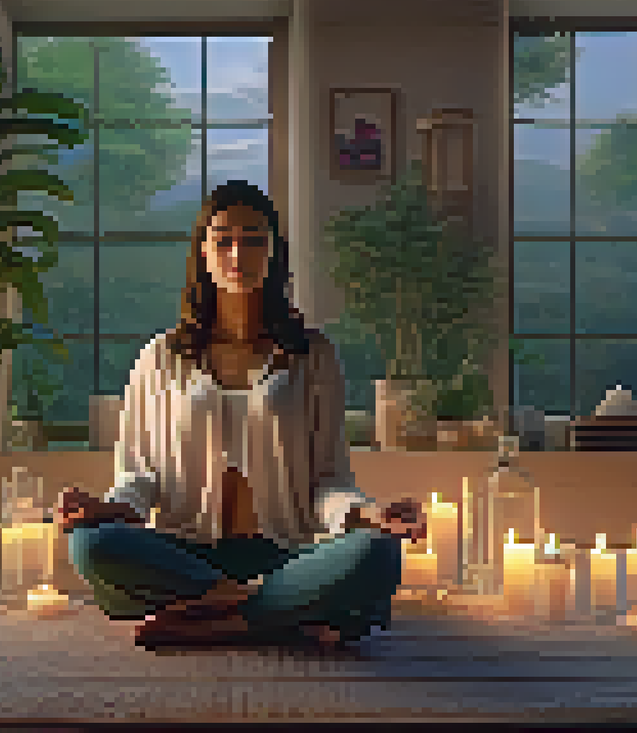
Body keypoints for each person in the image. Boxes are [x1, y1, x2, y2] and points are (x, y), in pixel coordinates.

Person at [56, 180, 427, 650]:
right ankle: (275, 610)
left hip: (287, 554)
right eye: (223, 240)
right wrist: (107, 509)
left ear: (273, 253)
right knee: (90, 544)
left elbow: (328, 480)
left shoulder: (312, 356)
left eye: (253, 240)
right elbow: (140, 476)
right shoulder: (161, 357)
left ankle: (219, 619)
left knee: (377, 554)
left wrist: (368, 514)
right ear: (203, 251)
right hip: (186, 552)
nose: (238, 254)